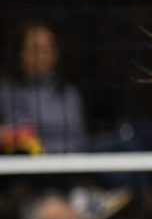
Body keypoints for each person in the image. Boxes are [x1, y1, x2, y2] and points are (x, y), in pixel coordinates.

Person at [0, 22, 88, 155]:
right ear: (21, 55)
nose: (41, 57)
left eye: (46, 50)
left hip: (65, 167)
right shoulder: (7, 91)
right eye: (35, 49)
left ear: (55, 55)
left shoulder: (69, 93)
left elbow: (77, 140)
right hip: (20, 167)